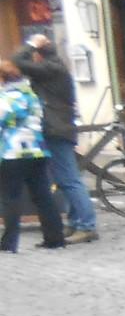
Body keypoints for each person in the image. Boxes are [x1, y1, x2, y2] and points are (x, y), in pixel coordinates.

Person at [14, 34, 97, 243]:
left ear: (38, 56)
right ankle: (75, 222)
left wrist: (31, 44)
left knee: (69, 179)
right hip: (58, 128)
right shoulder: (53, 68)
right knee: (64, 179)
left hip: (56, 130)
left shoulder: (50, 69)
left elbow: (18, 61)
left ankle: (87, 226)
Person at [0, 58, 64, 252]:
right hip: (37, 150)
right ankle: (55, 238)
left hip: (13, 152)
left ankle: (9, 243)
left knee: (11, 197)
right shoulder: (31, 95)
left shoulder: (7, 98)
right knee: (43, 195)